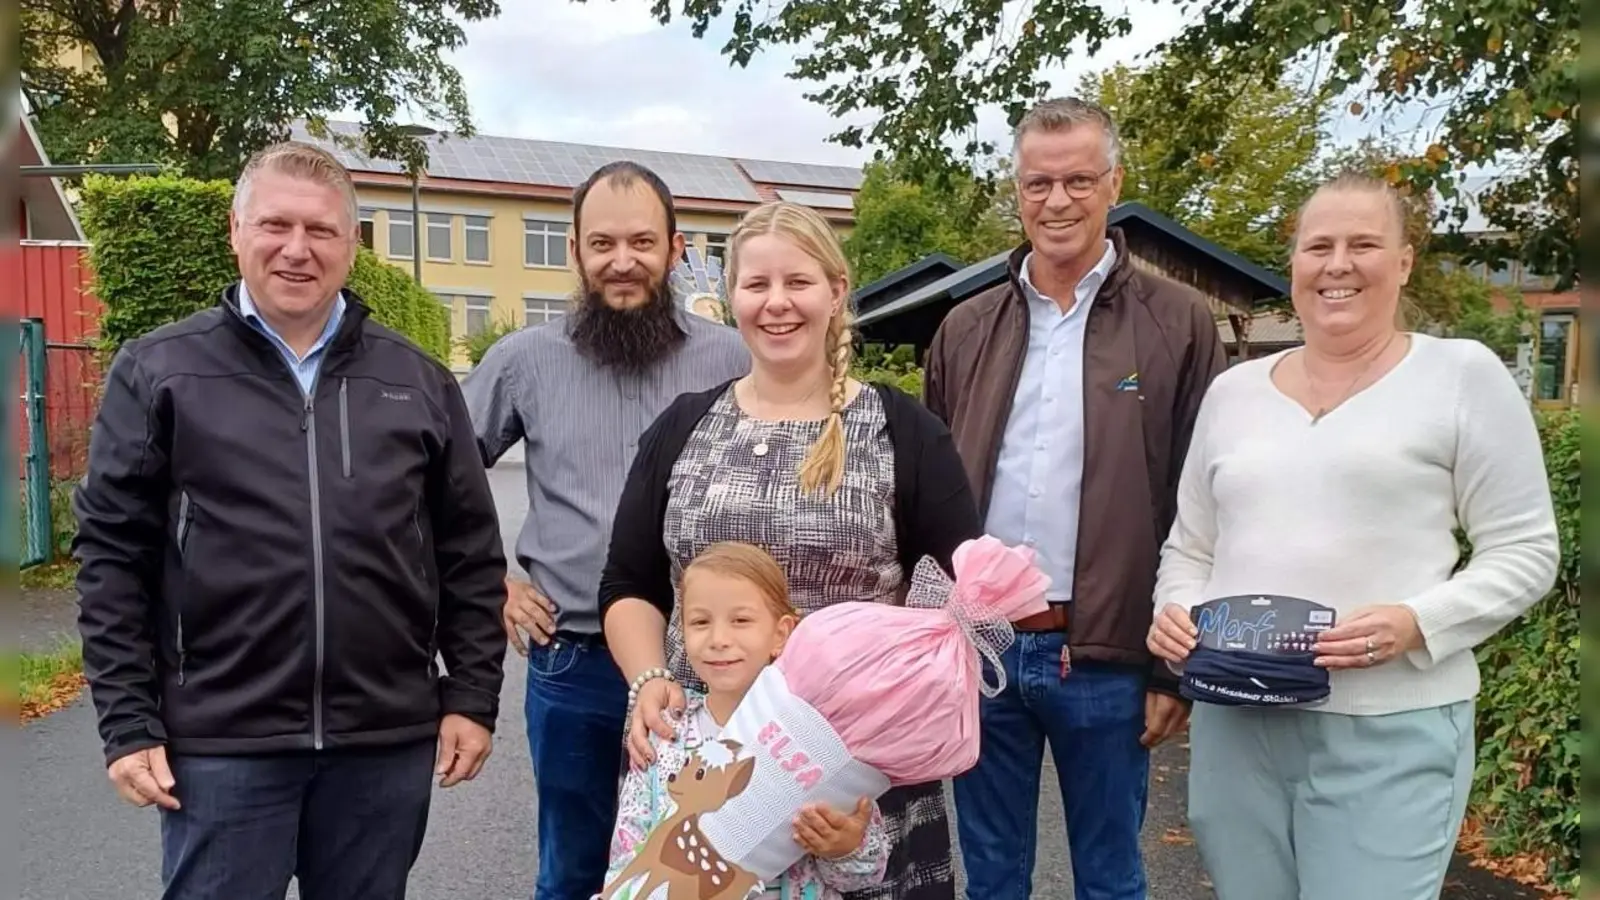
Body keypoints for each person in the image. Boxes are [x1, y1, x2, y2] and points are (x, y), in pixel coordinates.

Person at [71, 141, 509, 899]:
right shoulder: (160, 370)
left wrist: (470, 697)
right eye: (274, 225)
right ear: (236, 231)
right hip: (220, 744)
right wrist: (127, 720)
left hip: (383, 741)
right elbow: (112, 554)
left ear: (352, 244)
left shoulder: (418, 380)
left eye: (321, 230)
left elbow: (469, 552)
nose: (296, 250)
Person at [1147, 172, 1560, 900]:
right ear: (1296, 266)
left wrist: (1416, 622)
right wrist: (1175, 610)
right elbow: (1192, 547)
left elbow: (1527, 551)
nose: (1338, 264)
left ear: (1402, 262)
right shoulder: (1234, 393)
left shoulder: (1461, 376)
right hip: (1237, 720)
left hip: (1389, 723)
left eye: (1363, 244)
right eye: (1319, 246)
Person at [599, 199, 981, 900]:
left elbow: (961, 610)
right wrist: (647, 680)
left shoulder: (904, 433)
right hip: (704, 761)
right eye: (757, 285)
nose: (777, 304)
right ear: (733, 297)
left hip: (860, 776)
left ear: (837, 291)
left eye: (797, 283)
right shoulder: (683, 427)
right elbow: (630, 584)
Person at [922, 96, 1227, 900]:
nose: (1057, 201)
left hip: (1108, 656)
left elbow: (1206, 504)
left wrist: (1174, 669)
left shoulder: (1179, 323)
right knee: (989, 877)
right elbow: (932, 496)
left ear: (1113, 182)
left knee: (1111, 878)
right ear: (1017, 192)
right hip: (984, 650)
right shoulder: (966, 327)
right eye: (1038, 183)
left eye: (1079, 180)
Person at [461, 160, 750, 899]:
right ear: (576, 252)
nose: (622, 261)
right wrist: (490, 580)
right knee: (573, 869)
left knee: (699, 868)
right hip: (574, 664)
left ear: (675, 249)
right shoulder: (523, 362)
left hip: (708, 666)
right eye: (603, 244)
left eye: (643, 242)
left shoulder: (731, 359)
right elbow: (435, 479)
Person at [599, 541, 889, 899]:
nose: (719, 639)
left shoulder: (816, 736)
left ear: (781, 633)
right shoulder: (665, 733)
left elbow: (865, 873)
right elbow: (629, 850)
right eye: (701, 622)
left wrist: (844, 847)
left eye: (741, 621)